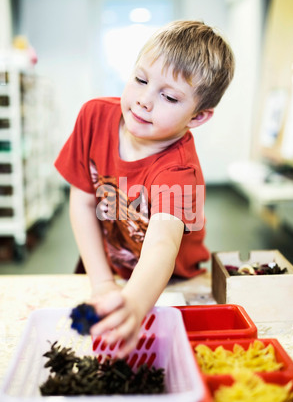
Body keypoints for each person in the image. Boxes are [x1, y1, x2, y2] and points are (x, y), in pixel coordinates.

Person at [55, 20, 235, 358]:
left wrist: (136, 305)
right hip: (110, 266)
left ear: (197, 117)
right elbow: (81, 203)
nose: (143, 101)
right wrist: (104, 283)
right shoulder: (93, 117)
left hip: (171, 281)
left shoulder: (179, 169)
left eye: (168, 96)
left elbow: (162, 244)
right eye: (140, 79)